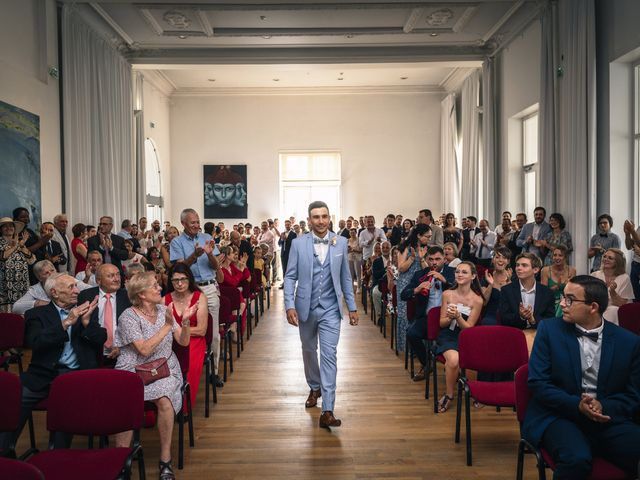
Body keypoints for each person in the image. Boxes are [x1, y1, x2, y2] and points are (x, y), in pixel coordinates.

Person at [523, 275, 640, 479]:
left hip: (608, 418)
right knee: (576, 459)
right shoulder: (549, 330)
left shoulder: (629, 342)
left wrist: (603, 406)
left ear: (593, 307)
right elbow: (538, 383)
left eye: (569, 299)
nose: (562, 303)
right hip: (559, 415)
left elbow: (633, 394)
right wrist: (577, 405)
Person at [0, 273, 103, 451]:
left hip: (75, 376)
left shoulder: (85, 310)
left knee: (65, 406)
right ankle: (4, 452)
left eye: (75, 286)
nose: (77, 290)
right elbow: (35, 342)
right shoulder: (36, 314)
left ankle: (57, 454)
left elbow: (101, 339)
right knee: (14, 402)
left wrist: (86, 324)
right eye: (71, 287)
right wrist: (66, 323)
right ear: (54, 292)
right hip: (42, 375)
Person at [284, 200, 358, 429]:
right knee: (308, 350)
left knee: (329, 355)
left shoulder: (341, 242)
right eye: (316, 217)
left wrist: (352, 307)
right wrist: (289, 305)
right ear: (309, 220)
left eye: (324, 216)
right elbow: (289, 276)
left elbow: (346, 277)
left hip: (331, 309)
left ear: (329, 218)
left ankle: (328, 409)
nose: (321, 221)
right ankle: (314, 386)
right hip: (305, 307)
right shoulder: (298, 243)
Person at [114, 271, 193, 480]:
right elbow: (144, 351)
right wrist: (167, 325)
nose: (160, 288)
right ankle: (121, 461)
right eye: (155, 286)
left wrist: (184, 323)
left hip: (164, 368)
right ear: (141, 294)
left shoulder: (163, 310)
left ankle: (165, 459)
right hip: (133, 369)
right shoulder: (128, 316)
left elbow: (183, 342)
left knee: (165, 400)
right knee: (125, 401)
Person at [170, 208, 224, 387]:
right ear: (183, 223)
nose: (196, 225)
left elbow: (216, 266)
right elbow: (179, 269)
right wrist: (195, 255)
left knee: (214, 333)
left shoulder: (206, 237)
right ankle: (187, 369)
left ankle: (214, 372)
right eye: (192, 222)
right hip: (188, 290)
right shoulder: (176, 243)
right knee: (187, 328)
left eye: (197, 221)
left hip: (209, 287)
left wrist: (209, 253)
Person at [401, 246, 455, 381]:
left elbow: (463, 290)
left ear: (444, 259)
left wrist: (445, 281)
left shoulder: (453, 272)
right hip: (426, 317)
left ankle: (454, 366)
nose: (434, 263)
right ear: (426, 260)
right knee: (411, 333)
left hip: (450, 318)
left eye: (438, 259)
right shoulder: (420, 274)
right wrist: (416, 289)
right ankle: (427, 364)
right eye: (430, 259)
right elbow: (403, 294)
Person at [435, 261, 484, 413]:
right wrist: (451, 318)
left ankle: (473, 392)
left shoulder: (477, 300)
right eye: (457, 272)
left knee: (474, 358)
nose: (459, 275)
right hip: (448, 335)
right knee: (454, 359)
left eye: (464, 272)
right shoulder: (447, 294)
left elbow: (469, 328)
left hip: (466, 336)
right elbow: (442, 323)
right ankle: (449, 395)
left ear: (473, 276)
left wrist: (458, 317)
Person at [164, 263, 209, 407]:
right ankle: (165, 405)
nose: (180, 283)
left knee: (188, 366)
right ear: (170, 281)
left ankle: (183, 406)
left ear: (189, 279)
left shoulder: (199, 297)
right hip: (170, 342)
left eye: (183, 279)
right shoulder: (164, 300)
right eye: (175, 280)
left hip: (194, 341)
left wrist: (176, 329)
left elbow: (201, 329)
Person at [498, 252, 556, 351]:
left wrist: (533, 319)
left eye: (524, 265)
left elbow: (550, 320)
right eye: (517, 265)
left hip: (539, 334)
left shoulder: (547, 292)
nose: (519, 268)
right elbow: (504, 318)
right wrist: (520, 316)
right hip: (514, 334)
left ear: (535, 269)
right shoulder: (507, 290)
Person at [77, 263, 131, 366]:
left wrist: (122, 346)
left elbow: (132, 327)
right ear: (98, 280)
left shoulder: (128, 296)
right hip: (93, 352)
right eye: (110, 276)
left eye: (118, 274)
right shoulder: (86, 296)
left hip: (122, 353)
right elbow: (81, 328)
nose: (116, 279)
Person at [590, 248, 634, 324]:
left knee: (612, 310)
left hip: (616, 309)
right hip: (597, 307)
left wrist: (612, 292)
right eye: (605, 256)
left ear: (617, 262)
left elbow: (621, 304)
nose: (606, 259)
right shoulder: (595, 275)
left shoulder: (624, 278)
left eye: (610, 258)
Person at [0, 217, 34, 308]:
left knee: (21, 313)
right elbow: (3, 256)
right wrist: (15, 246)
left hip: (22, 285)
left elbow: (32, 260)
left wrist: (22, 246)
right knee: (6, 317)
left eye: (11, 226)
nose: (9, 228)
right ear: (1, 229)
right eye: (5, 226)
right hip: (4, 286)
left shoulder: (20, 243)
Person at [541, 245, 576, 317]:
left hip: (566, 304)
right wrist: (556, 287)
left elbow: (573, 292)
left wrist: (568, 286)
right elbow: (543, 293)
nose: (557, 258)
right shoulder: (545, 270)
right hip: (550, 304)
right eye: (555, 255)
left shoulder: (572, 271)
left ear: (565, 257)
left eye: (560, 255)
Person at [480, 246, 512, 326]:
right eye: (497, 257)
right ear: (493, 260)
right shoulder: (486, 277)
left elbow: (514, 303)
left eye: (504, 258)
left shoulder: (514, 278)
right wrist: (491, 284)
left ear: (508, 261)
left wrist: (509, 282)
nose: (500, 260)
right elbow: (484, 302)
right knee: (487, 322)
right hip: (490, 316)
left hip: (508, 316)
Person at [623, 219, 640, 302]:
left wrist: (632, 231)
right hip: (636, 264)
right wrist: (627, 234)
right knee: (635, 295)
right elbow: (629, 246)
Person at [347, 228, 363, 293]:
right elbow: (346, 250)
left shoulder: (359, 240)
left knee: (358, 273)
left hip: (357, 258)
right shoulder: (348, 240)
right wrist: (348, 250)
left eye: (353, 232)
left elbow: (361, 250)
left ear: (356, 233)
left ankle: (358, 287)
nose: (352, 234)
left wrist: (354, 250)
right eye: (351, 233)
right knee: (350, 274)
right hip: (350, 258)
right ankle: (351, 287)